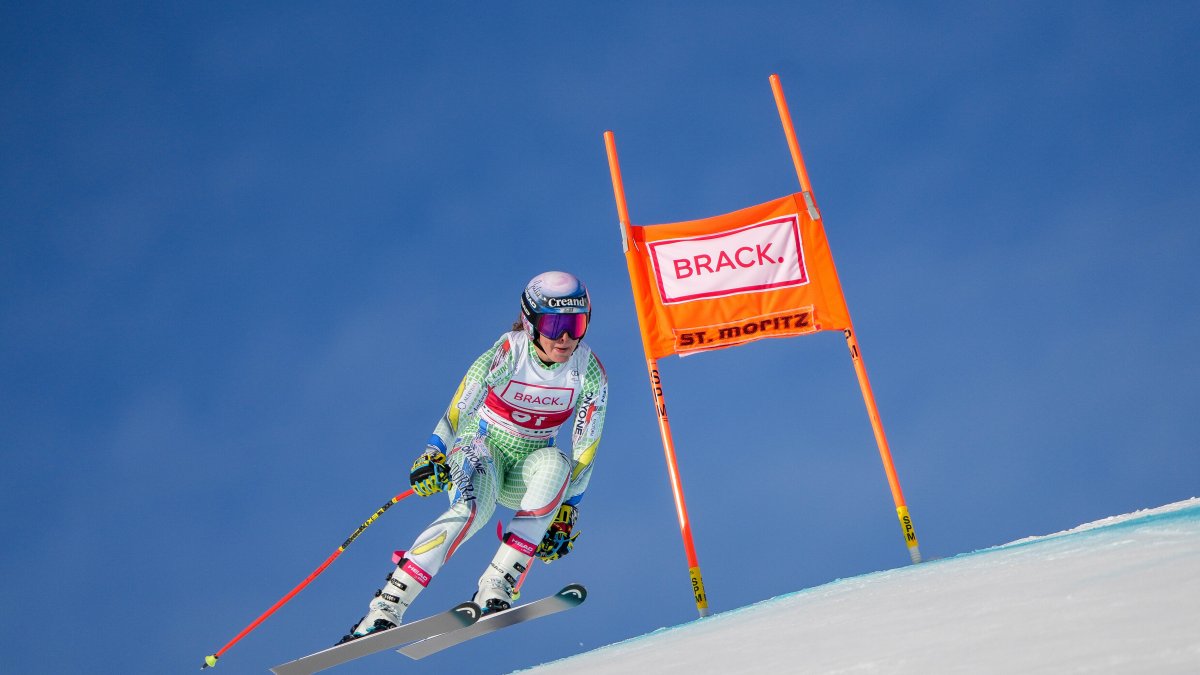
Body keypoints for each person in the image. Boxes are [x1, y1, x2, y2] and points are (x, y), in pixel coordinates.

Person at [341, 270, 608, 642]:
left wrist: (569, 510)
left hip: (527, 469)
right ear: (531, 322)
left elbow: (587, 446)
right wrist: (432, 452)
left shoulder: (588, 371)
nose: (565, 338)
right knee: (470, 512)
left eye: (575, 324)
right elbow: (459, 407)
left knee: (557, 465)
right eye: (553, 324)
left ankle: (498, 584)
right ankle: (386, 607)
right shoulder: (509, 353)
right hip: (483, 449)